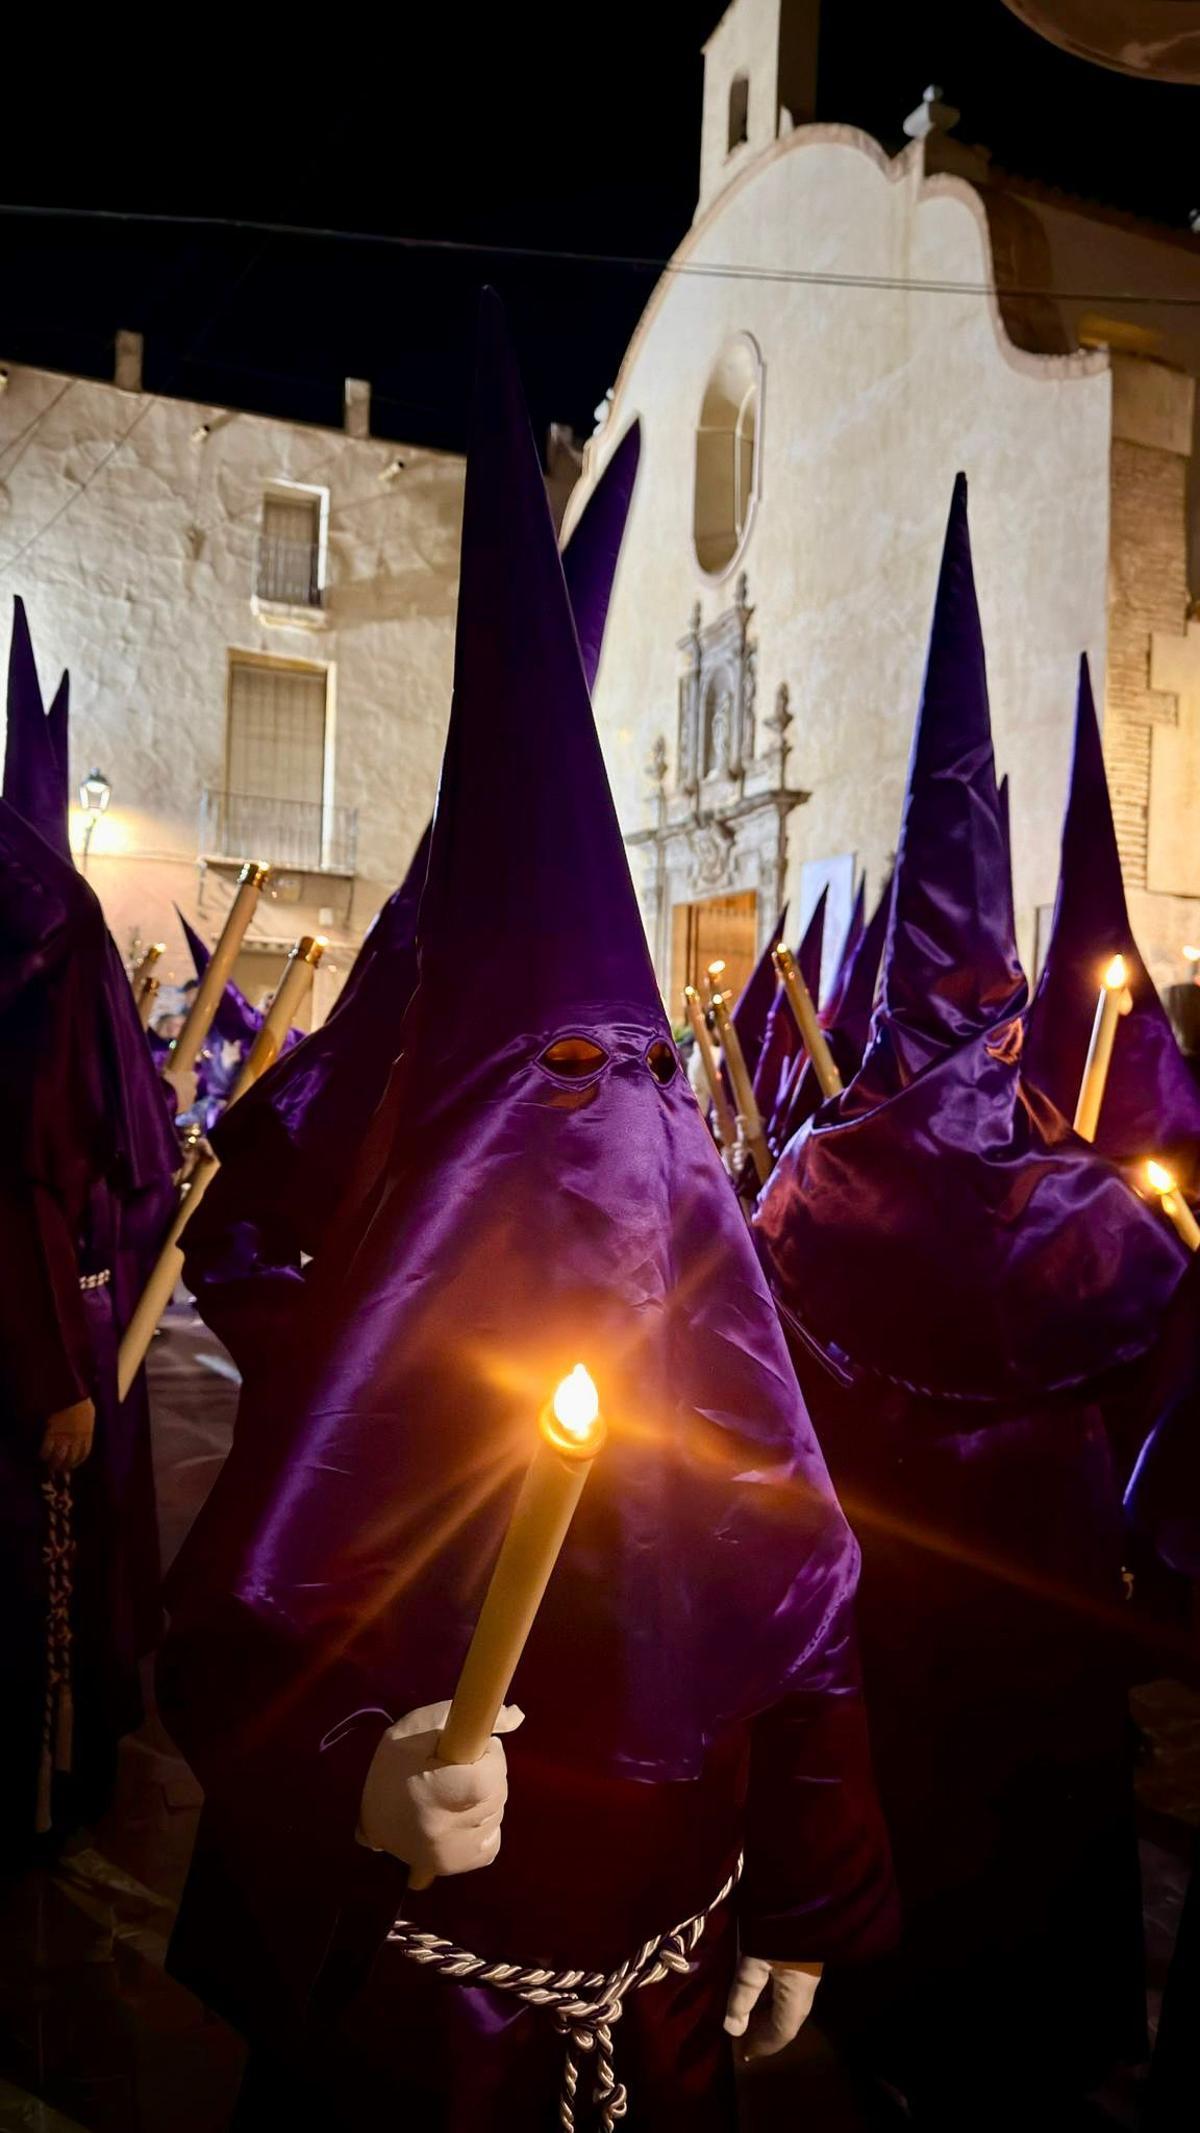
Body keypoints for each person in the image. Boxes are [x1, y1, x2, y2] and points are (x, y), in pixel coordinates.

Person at [158, 295, 897, 2132]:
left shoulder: (683, 1229)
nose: (598, 1130)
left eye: (623, 1073)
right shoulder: (400, 1285)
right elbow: (240, 1634)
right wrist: (359, 1777)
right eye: (549, 1080)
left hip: (664, 1969)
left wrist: (804, 1897)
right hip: (420, 2029)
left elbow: (799, 1596)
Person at [756, 478, 1187, 2130]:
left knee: (916, 1813)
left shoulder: (814, 1176)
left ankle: (893, 2024)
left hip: (878, 1594)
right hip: (1039, 1604)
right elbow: (1154, 1359)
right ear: (1005, 1014)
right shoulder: (1065, 1190)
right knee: (1025, 1835)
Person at [0, 601, 178, 1862]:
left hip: (96, 1315)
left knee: (96, 1556)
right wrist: (58, 1373)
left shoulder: (52, 941)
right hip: (56, 1338)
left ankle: (79, 1761)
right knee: (42, 1571)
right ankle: (41, 1788)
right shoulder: (46, 960)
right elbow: (26, 1192)